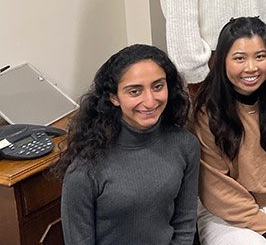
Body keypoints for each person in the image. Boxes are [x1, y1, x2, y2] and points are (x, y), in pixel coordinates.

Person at [58, 44, 199, 245]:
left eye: (158, 86)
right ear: (114, 97)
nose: (150, 101)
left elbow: (185, 224)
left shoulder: (186, 145)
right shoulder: (84, 171)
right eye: (135, 91)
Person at [193, 16, 266, 245]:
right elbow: (214, 185)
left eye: (260, 56)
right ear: (223, 60)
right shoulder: (207, 106)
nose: (251, 68)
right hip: (225, 214)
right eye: (239, 58)